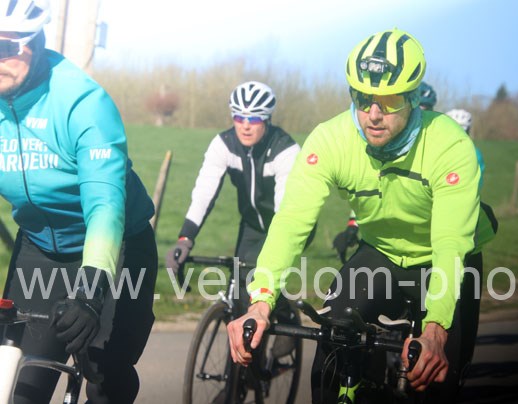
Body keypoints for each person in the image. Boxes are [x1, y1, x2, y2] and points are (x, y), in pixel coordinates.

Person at [227, 28, 496, 402]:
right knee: (333, 344)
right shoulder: (330, 140)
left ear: (413, 98)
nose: (373, 115)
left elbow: (450, 242)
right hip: (381, 252)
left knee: (438, 378)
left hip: (445, 259)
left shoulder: (449, 144)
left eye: (389, 101)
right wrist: (260, 302)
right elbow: (291, 221)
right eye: (363, 98)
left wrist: (436, 328)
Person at [0, 1, 158, 402]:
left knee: (106, 375)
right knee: (17, 383)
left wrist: (89, 292)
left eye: (6, 47)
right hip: (40, 247)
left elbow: (105, 208)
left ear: (35, 43)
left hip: (117, 248)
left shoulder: (82, 103)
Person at [165, 80, 304, 306]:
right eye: (239, 118)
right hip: (252, 225)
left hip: (288, 224)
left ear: (267, 119)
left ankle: (278, 315)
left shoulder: (286, 151)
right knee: (239, 293)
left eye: (254, 119)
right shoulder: (224, 144)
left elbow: (285, 211)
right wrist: (185, 239)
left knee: (260, 288)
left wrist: (271, 255)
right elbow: (204, 193)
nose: (245, 126)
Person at [332, 80, 437, 262]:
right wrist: (352, 226)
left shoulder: (437, 144)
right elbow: (371, 190)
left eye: (425, 108)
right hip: (391, 248)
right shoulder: (380, 144)